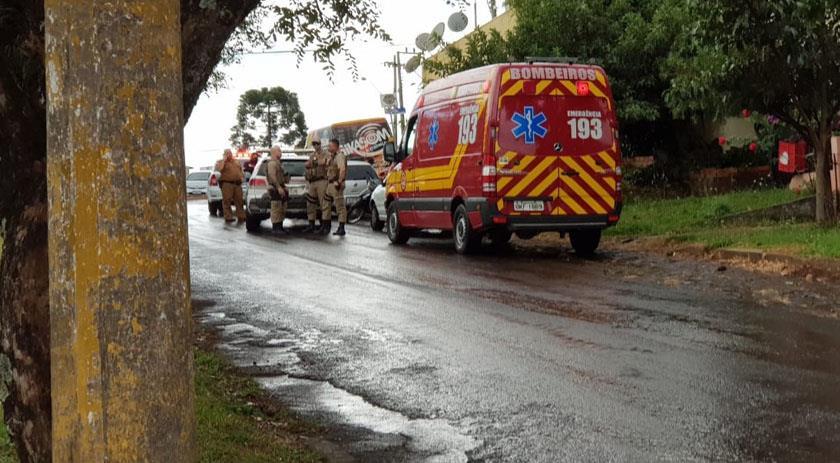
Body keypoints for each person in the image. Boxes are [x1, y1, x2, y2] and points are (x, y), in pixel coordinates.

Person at [322, 138, 348, 236]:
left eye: (330, 146)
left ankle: (341, 228)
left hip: (336, 184)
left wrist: (339, 181)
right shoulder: (332, 157)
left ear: (335, 146)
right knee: (326, 204)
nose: (329, 147)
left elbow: (342, 169)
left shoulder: (339, 156)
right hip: (330, 184)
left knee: (339, 206)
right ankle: (326, 226)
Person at [303, 139, 329, 233]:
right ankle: (311, 224)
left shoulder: (325, 154)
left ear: (320, 144)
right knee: (310, 203)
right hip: (312, 181)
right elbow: (308, 164)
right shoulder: (312, 155)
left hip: (322, 180)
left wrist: (315, 162)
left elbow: (326, 162)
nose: (315, 146)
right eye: (313, 144)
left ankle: (325, 225)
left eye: (317, 144)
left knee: (324, 204)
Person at [219, 149, 246, 223]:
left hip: (237, 184)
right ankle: (228, 217)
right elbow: (220, 169)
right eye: (227, 153)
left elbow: (240, 170)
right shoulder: (221, 162)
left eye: (230, 153)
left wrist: (241, 177)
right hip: (227, 184)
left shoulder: (236, 161)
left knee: (239, 201)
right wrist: (224, 160)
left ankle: (241, 216)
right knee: (227, 201)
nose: (229, 154)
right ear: (224, 154)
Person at [266, 146, 289, 235]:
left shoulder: (279, 163)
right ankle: (275, 228)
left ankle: (280, 226)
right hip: (275, 188)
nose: (280, 152)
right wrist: (278, 187)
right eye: (279, 150)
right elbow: (272, 176)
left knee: (282, 208)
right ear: (274, 152)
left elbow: (283, 177)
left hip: (281, 187)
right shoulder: (272, 163)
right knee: (276, 208)